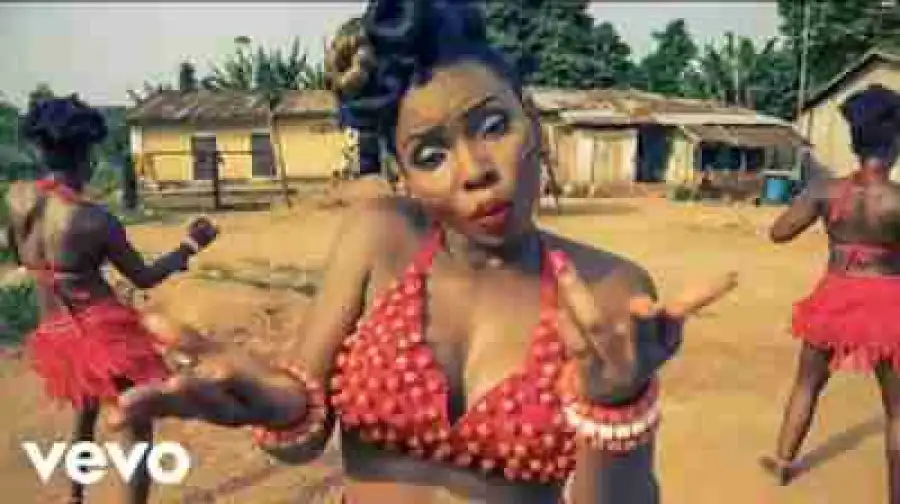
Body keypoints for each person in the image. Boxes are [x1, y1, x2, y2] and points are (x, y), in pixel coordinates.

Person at [112, 2, 736, 502]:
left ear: (533, 122)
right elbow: (302, 433)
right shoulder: (379, 238)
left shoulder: (607, 291)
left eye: (494, 126)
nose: (475, 170)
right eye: (431, 155)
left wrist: (614, 405)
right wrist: (272, 403)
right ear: (403, 173)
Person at [3, 95, 219, 504]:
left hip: (55, 330)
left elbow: (20, 256)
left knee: (84, 412)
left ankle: (74, 497)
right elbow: (144, 277)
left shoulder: (16, 200)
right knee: (137, 426)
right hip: (104, 335)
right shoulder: (94, 220)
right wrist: (190, 245)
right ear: (86, 155)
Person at [760, 85, 900, 503]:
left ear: (855, 143)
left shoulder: (825, 190)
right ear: (895, 144)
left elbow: (779, 232)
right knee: (897, 409)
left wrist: (817, 204)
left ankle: (783, 461)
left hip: (834, 297)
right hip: (889, 301)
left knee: (807, 383)